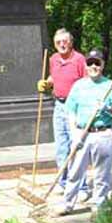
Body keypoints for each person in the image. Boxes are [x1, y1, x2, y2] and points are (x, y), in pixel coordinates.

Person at [55, 49, 112, 216]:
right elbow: (70, 111)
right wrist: (74, 133)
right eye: (90, 63)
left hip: (103, 134)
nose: (93, 66)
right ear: (85, 65)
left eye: (97, 63)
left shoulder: (111, 86)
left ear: (103, 65)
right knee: (74, 172)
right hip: (82, 134)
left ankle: (98, 204)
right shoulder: (79, 86)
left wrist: (108, 108)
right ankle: (67, 204)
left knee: (102, 173)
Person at [37, 28, 89, 198]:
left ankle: (81, 188)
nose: (61, 45)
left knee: (76, 147)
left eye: (64, 41)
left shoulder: (80, 59)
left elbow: (88, 82)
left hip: (75, 108)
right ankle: (63, 182)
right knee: (61, 147)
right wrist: (47, 83)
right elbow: (54, 77)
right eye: (58, 42)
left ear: (71, 42)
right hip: (58, 106)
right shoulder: (53, 59)